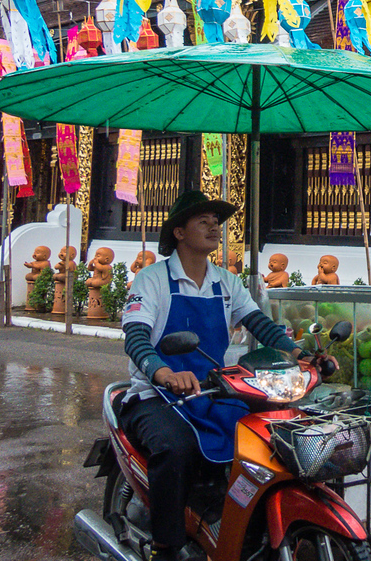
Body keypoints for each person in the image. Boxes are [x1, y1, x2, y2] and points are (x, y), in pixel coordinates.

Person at [118, 191, 320, 561]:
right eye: (203, 222)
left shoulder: (225, 281)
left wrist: (301, 355)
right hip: (158, 396)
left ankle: (239, 524)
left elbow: (259, 323)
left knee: (270, 435)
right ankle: (166, 545)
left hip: (213, 390)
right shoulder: (152, 280)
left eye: (216, 222)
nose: (214, 228)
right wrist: (163, 372)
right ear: (179, 232)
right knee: (175, 448)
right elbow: (135, 337)